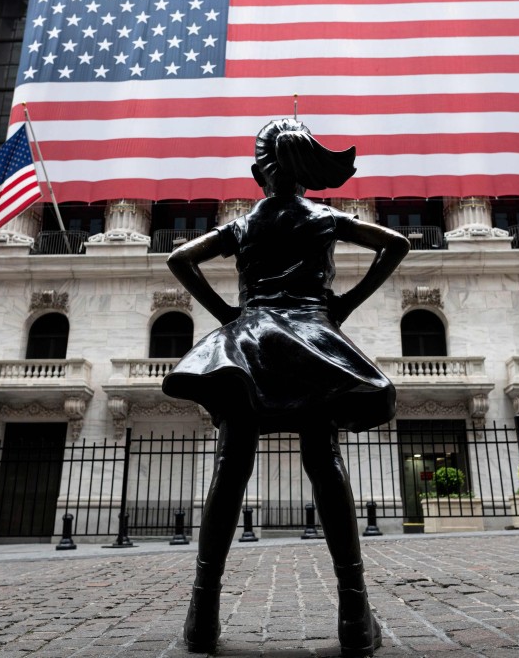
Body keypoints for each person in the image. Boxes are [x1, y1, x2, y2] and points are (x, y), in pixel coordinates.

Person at [162, 118, 410, 656]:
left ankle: (203, 612)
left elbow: (180, 259)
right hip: (309, 340)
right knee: (324, 461)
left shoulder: (242, 227)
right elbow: (396, 243)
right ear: (305, 175)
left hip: (248, 341)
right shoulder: (324, 216)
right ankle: (352, 611)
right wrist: (344, 304)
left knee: (231, 469)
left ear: (260, 174)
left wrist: (228, 312)